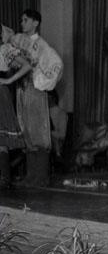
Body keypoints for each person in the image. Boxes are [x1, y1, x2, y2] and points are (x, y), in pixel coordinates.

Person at [7, 10, 63, 186]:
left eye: (26, 20)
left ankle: (41, 176)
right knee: (27, 132)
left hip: (35, 91)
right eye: (21, 20)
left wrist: (41, 81)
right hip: (22, 90)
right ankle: (31, 175)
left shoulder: (42, 45)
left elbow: (56, 64)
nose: (22, 23)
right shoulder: (20, 41)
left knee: (38, 131)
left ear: (35, 23)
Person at [0, 29, 30, 190]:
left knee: (1, 138)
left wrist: (9, 80)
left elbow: (26, 65)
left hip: (0, 94)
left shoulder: (4, 49)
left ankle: (5, 178)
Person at [48, 89, 68, 166]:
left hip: (56, 142)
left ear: (52, 98)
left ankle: (58, 155)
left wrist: (48, 133)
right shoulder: (42, 113)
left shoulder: (61, 113)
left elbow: (62, 135)